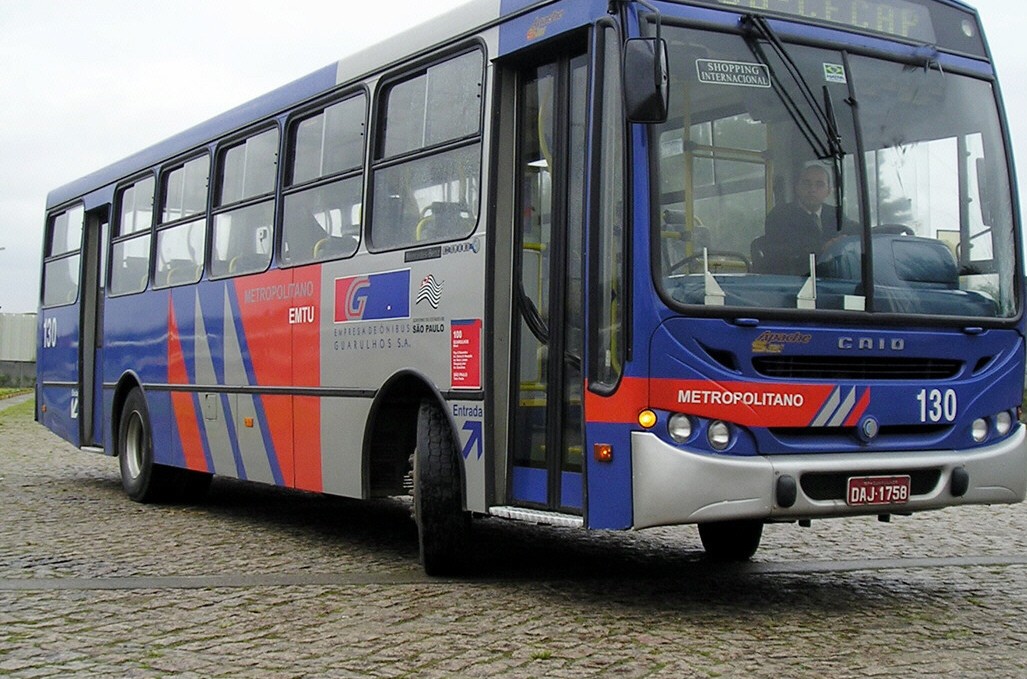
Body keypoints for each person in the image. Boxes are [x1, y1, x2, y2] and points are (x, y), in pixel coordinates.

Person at [756, 164, 856, 275]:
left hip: (832, 280)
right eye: (807, 183)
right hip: (794, 281)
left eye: (819, 185)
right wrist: (822, 247)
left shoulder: (835, 215)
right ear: (797, 188)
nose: (812, 189)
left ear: (829, 191)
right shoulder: (780, 215)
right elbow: (784, 251)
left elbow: (855, 231)